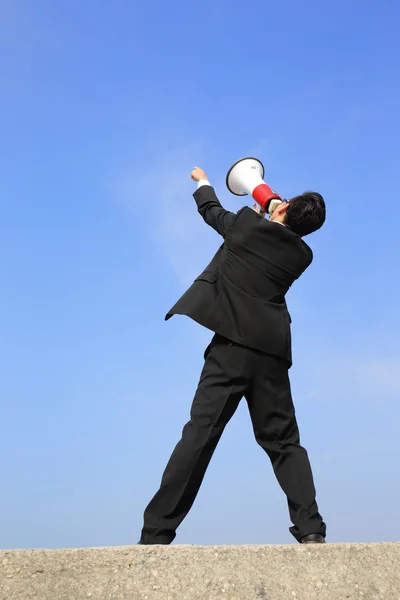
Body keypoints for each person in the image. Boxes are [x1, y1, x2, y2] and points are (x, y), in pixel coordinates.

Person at [139, 166, 327, 545]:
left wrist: (203, 182)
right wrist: (272, 207)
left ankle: (157, 532)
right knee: (284, 442)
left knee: (200, 435)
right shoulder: (303, 255)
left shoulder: (245, 225)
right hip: (272, 354)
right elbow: (268, 235)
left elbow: (211, 211)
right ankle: (310, 529)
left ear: (283, 211)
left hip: (231, 349)